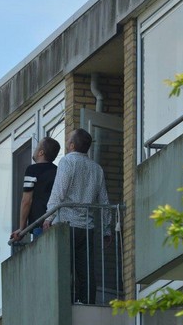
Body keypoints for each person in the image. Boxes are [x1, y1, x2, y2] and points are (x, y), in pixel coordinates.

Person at [43, 128, 111, 304]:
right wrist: (106, 229)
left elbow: (59, 192)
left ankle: (67, 303)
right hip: (87, 228)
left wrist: (48, 217)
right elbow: (104, 201)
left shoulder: (67, 162)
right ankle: (87, 302)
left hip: (66, 225)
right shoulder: (97, 169)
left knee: (65, 267)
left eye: (68, 140)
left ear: (72, 145)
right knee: (86, 270)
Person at [10, 137, 60, 242]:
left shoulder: (33, 170)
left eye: (37, 146)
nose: (35, 149)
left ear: (41, 152)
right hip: (56, 221)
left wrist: (22, 229)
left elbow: (26, 201)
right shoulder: (58, 171)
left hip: (40, 224)